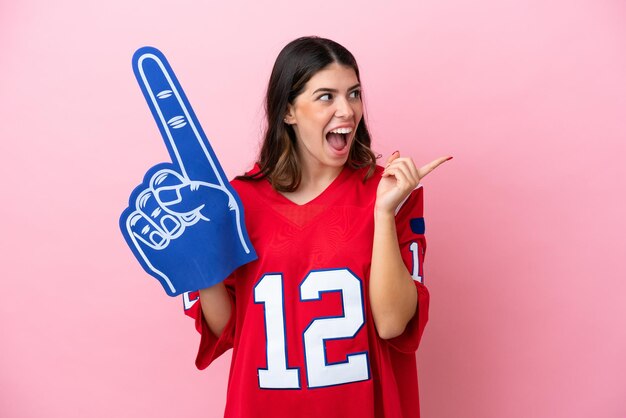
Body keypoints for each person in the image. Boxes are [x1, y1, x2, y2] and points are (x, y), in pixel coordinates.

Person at [184, 36, 450, 418]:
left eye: (354, 93)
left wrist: (383, 214)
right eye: (327, 96)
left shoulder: (389, 192)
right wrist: (197, 258)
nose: (347, 110)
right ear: (289, 110)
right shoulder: (236, 202)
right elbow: (229, 329)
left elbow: (392, 325)